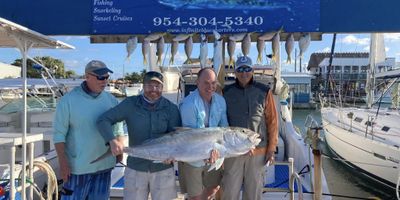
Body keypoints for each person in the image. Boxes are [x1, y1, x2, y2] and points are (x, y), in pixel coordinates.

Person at [96, 71, 181, 200]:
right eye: (149, 85)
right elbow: (103, 120)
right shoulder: (130, 104)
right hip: (136, 168)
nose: (153, 89)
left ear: (162, 88)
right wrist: (112, 140)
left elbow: (177, 137)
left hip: (162, 170)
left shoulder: (171, 109)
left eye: (157, 86)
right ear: (143, 86)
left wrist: (173, 156)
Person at [53, 60, 124, 200]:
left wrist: (120, 149)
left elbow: (118, 129)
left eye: (106, 77)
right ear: (87, 76)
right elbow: (59, 135)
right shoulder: (67, 101)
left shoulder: (112, 100)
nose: (104, 81)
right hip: (77, 170)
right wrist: (63, 163)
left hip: (104, 167)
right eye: (100, 77)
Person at [222, 56, 278, 200]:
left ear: (252, 70)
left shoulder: (264, 91)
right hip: (233, 152)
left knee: (253, 193)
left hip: (257, 152)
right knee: (229, 190)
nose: (244, 72)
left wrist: (271, 149)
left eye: (247, 69)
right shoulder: (226, 92)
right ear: (235, 72)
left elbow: (272, 122)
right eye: (240, 69)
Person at [178, 68, 228, 200]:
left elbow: (224, 128)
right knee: (195, 196)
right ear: (197, 82)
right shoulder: (189, 104)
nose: (210, 87)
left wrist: (220, 152)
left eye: (213, 83)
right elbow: (192, 137)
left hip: (214, 156)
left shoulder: (221, 101)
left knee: (214, 187)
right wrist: (208, 152)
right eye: (206, 83)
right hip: (193, 158)